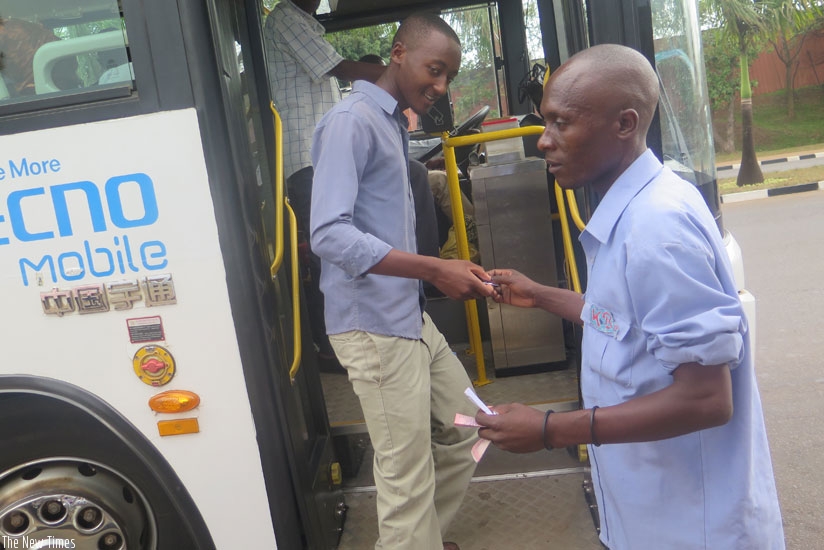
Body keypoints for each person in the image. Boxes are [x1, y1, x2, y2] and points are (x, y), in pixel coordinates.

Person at [475, 44, 784, 549]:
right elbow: (625, 326)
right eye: (543, 123)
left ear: (624, 123)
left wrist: (551, 430)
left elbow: (706, 398)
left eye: (561, 124)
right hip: (655, 513)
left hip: (690, 527)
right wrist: (544, 296)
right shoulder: (642, 207)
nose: (543, 143)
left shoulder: (654, 230)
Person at [310, 13, 496, 550]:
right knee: (405, 474)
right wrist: (436, 268)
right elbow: (329, 235)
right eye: (433, 70)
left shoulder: (392, 121)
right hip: (373, 326)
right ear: (397, 52)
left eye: (447, 78)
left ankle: (423, 541)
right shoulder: (352, 120)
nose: (439, 87)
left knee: (471, 428)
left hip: (408, 317)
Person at [263, 0, 385, 371]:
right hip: (304, 160)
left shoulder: (304, 25)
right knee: (328, 258)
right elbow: (341, 68)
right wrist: (400, 72)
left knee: (332, 254)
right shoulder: (284, 18)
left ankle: (345, 340)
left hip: (318, 159)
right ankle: (332, 348)